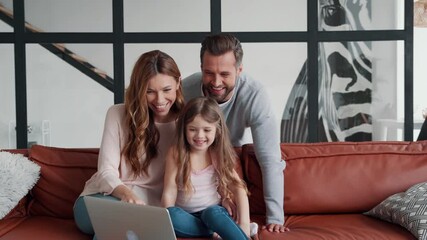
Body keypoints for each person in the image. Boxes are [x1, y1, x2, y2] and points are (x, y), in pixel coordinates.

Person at [182, 33, 287, 232]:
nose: (216, 82)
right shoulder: (185, 90)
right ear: (201, 69)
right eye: (209, 73)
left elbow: (270, 159)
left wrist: (275, 218)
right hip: (192, 168)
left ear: (239, 70)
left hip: (229, 160)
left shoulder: (254, 94)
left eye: (224, 74)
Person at [73, 50, 184, 237]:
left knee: (126, 228)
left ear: (178, 83)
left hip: (149, 210)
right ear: (139, 88)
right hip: (103, 198)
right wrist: (125, 194)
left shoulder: (187, 123)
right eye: (149, 92)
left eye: (166, 90)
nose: (160, 100)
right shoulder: (117, 114)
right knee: (121, 220)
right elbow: (106, 171)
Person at [162, 96, 255, 239]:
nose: (200, 136)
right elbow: (169, 191)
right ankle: (217, 230)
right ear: (184, 129)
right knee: (171, 214)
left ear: (217, 130)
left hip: (214, 213)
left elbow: (238, 188)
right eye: (193, 129)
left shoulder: (216, 154)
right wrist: (167, 220)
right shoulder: (176, 153)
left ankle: (233, 231)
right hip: (186, 216)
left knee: (212, 214)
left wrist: (244, 225)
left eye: (207, 130)